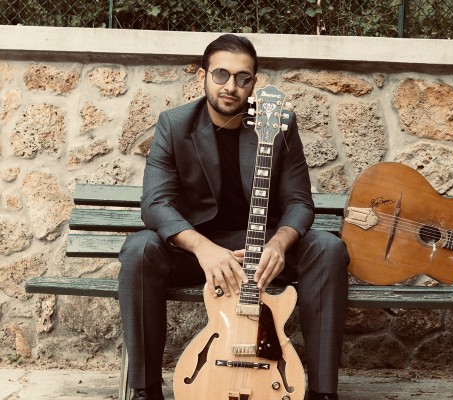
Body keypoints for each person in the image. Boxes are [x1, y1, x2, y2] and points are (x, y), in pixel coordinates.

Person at [117, 34, 349, 400]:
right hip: (200, 254)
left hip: (263, 251)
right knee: (139, 250)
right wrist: (203, 248)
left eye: (243, 78)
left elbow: (299, 201)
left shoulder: (278, 124)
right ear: (202, 76)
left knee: (328, 248)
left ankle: (323, 393)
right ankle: (146, 390)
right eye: (221, 74)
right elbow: (156, 203)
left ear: (254, 83)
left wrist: (279, 243)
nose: (231, 86)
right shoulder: (175, 125)